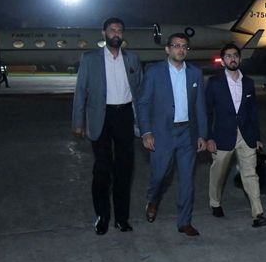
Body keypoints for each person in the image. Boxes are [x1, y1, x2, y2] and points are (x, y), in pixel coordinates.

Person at [72, 17, 142, 235]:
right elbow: (80, 91)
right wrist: (78, 121)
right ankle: (102, 216)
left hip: (124, 116)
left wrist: (144, 121)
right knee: (102, 170)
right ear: (103, 34)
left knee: (124, 169)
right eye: (112, 30)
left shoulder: (131, 58)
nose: (116, 33)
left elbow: (140, 92)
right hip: (100, 117)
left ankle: (122, 218)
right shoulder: (90, 58)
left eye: (120, 30)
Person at [137, 33, 207, 237]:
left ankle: (184, 222)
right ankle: (153, 198)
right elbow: (143, 104)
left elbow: (200, 106)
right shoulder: (154, 72)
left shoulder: (195, 73)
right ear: (167, 49)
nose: (181, 49)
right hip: (162, 133)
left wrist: (202, 134)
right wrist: (146, 131)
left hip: (188, 134)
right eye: (176, 46)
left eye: (184, 46)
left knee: (187, 180)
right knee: (159, 175)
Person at [206, 43, 266, 228]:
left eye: (235, 55)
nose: (232, 58)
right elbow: (207, 112)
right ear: (223, 61)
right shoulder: (214, 82)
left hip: (246, 135)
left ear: (240, 59)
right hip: (222, 136)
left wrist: (257, 136)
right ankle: (215, 202)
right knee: (218, 174)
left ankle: (258, 214)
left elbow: (253, 112)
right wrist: (208, 137)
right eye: (228, 56)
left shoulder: (248, 82)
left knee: (250, 174)